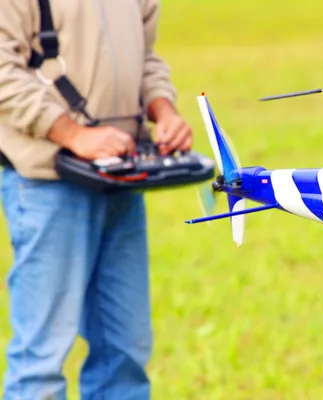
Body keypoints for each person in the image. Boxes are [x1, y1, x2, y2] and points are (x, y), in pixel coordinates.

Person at [0, 1, 192, 398]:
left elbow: (147, 58)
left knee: (124, 353)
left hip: (119, 181)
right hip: (47, 183)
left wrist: (165, 111)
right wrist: (74, 135)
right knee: (41, 362)